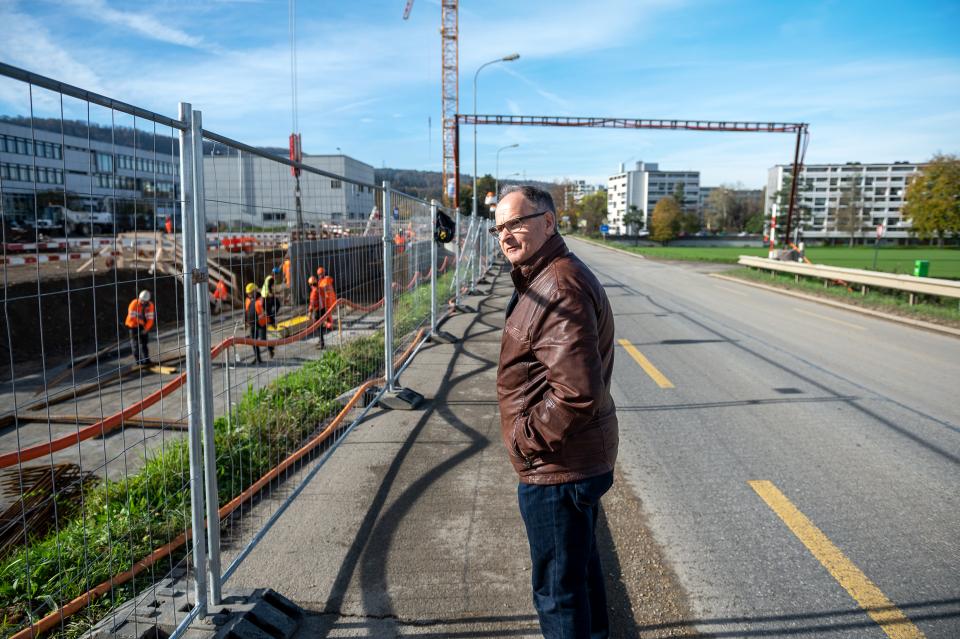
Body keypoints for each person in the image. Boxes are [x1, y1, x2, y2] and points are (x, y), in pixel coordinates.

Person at [494, 185, 618, 638]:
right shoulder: (544, 275)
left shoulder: (558, 285)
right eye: (499, 227)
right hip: (572, 462)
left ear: (548, 222)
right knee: (580, 576)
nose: (506, 235)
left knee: (556, 592)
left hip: (557, 469)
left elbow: (575, 392)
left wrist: (526, 442)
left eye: (516, 223)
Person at [244, 283, 274, 362]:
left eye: (250, 293)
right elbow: (246, 311)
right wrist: (245, 322)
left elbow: (269, 311)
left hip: (261, 324)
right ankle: (258, 358)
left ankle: (271, 348)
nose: (249, 294)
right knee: (253, 341)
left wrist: (272, 322)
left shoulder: (261, 300)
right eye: (248, 293)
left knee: (263, 340)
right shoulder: (247, 300)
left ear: (254, 291)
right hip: (252, 324)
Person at [125, 289, 155, 365]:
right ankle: (138, 361)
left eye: (144, 301)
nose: (142, 302)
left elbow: (150, 319)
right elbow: (132, 317)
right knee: (135, 344)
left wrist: (146, 329)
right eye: (141, 300)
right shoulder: (134, 303)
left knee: (144, 343)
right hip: (133, 325)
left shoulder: (150, 305)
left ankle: (146, 360)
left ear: (147, 301)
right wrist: (141, 323)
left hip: (143, 326)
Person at [307, 275, 325, 349]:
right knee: (320, 327)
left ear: (310, 284)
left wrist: (310, 313)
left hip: (318, 311)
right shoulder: (320, 289)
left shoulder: (313, 292)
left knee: (318, 328)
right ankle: (320, 341)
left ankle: (321, 343)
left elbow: (312, 303)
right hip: (323, 309)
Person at [317, 267, 337, 333]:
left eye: (320, 274)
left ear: (323, 273)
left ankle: (330, 326)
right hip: (331, 298)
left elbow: (323, 288)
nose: (319, 276)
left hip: (328, 299)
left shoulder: (324, 281)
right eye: (318, 274)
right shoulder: (327, 278)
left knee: (328, 313)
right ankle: (329, 324)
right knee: (328, 313)